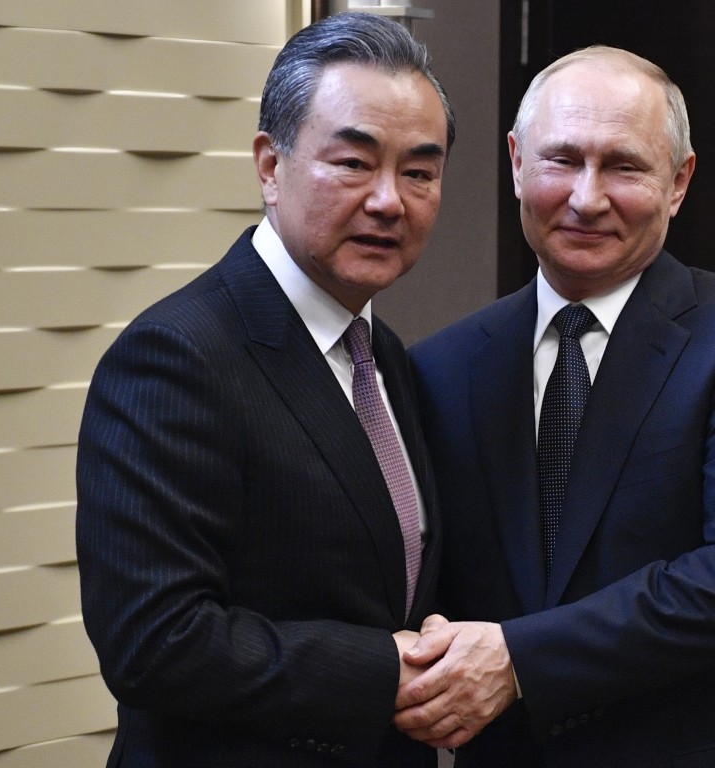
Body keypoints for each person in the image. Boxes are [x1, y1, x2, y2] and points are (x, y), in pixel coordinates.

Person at [76, 11, 455, 768]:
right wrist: (391, 670)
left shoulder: (383, 355)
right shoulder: (177, 356)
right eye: (353, 163)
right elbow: (157, 642)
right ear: (270, 165)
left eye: (418, 171)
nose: (389, 200)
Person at [399, 45, 715, 767]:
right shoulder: (440, 368)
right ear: (516, 164)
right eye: (561, 159)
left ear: (678, 181)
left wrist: (518, 660)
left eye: (624, 166)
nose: (586, 196)